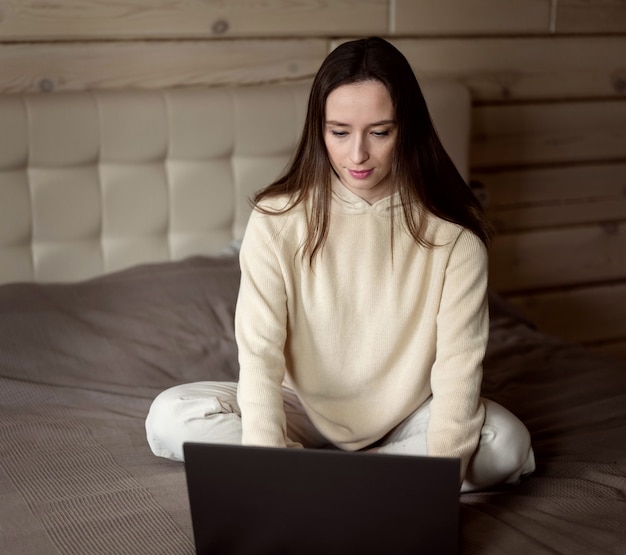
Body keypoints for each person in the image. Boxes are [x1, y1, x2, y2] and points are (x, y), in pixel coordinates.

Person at [146, 37, 535, 492]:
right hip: (301, 410)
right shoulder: (276, 220)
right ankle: (367, 478)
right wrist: (268, 459)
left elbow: (457, 369)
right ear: (319, 130)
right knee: (171, 416)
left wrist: (439, 482)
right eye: (340, 132)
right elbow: (260, 354)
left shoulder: (456, 239)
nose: (357, 156)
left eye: (380, 132)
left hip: (405, 417)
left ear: (406, 129)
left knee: (506, 444)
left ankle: (324, 479)